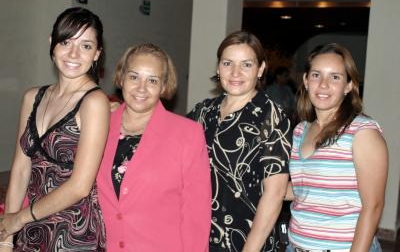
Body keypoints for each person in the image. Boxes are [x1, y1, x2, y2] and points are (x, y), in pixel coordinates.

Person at [0, 7, 109, 251]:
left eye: (86, 46)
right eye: (66, 42)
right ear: (52, 43)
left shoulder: (94, 103)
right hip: (30, 229)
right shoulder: (32, 97)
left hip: (74, 234)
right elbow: (19, 170)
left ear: (97, 54)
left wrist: (18, 219)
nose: (74, 54)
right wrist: (6, 237)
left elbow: (80, 185)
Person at [96, 43, 211, 252]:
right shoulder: (99, 126)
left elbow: (196, 215)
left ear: (164, 86)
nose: (141, 88)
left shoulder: (188, 134)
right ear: (121, 78)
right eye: (134, 77)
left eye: (152, 80)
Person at [187, 30, 292, 252]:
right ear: (218, 68)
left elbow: (274, 195)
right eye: (227, 63)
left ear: (261, 69)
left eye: (246, 64)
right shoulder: (203, 111)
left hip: (245, 240)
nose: (235, 72)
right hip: (197, 235)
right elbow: (165, 135)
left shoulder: (271, 117)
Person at [285, 43, 388, 251]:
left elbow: (373, 207)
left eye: (335, 77)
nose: (323, 85)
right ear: (305, 80)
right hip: (296, 246)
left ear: (349, 85)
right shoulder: (300, 131)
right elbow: (302, 189)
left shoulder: (362, 132)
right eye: (316, 75)